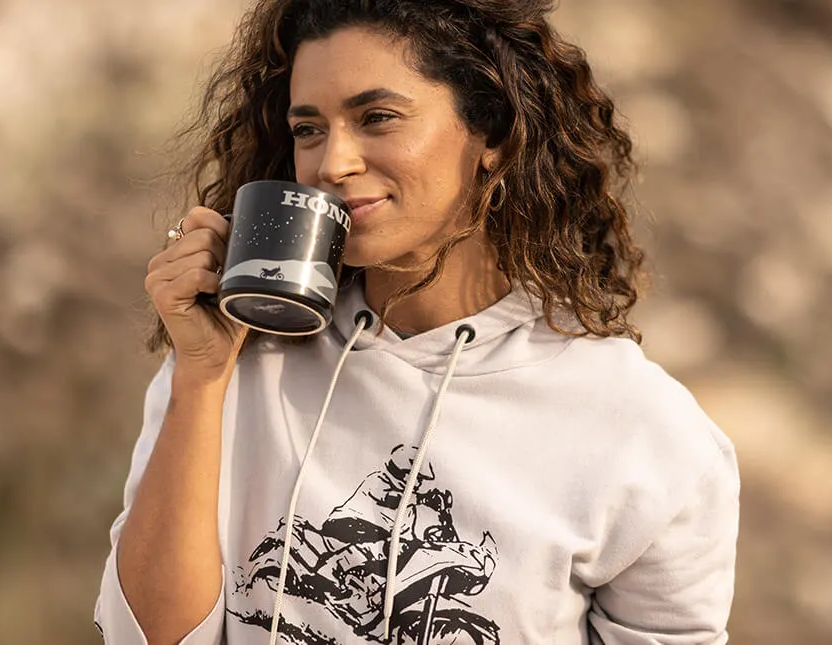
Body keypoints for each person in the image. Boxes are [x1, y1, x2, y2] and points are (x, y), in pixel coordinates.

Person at [94, 0, 740, 643]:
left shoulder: (646, 438)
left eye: (377, 117)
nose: (333, 164)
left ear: (490, 133)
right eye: (308, 129)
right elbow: (145, 638)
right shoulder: (235, 362)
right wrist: (201, 378)